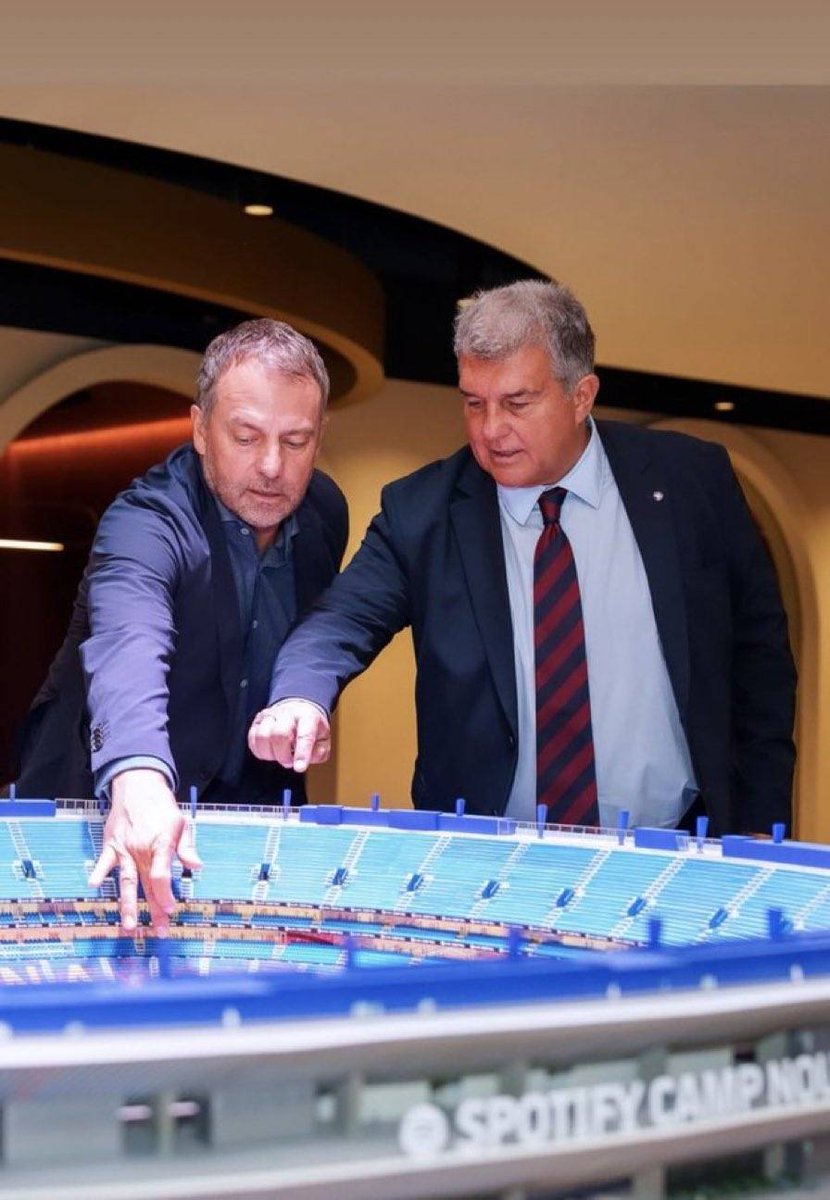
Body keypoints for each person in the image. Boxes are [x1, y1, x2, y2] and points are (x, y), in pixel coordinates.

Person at [249, 280, 796, 837]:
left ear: (581, 396)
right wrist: (299, 697)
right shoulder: (422, 512)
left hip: (678, 839)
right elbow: (341, 620)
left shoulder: (691, 482)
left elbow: (761, 660)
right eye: (474, 403)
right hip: (486, 851)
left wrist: (760, 823)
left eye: (517, 403)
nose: (491, 430)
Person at [15, 318, 348, 932]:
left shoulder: (325, 512)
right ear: (200, 428)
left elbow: (316, 631)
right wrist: (138, 773)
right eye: (245, 437)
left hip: (244, 812)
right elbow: (128, 641)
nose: (272, 466)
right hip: (98, 811)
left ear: (320, 434)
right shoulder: (144, 521)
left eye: (296, 441)